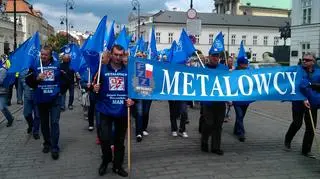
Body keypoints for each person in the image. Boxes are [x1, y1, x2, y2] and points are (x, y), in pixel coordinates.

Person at [94, 44, 134, 177]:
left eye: (120, 55)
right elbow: (94, 92)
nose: (118, 57)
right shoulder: (102, 70)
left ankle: (117, 165)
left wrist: (132, 100)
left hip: (122, 110)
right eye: (115, 54)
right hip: (105, 109)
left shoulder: (129, 71)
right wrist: (94, 89)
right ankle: (105, 161)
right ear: (111, 54)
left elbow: (135, 91)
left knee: (119, 141)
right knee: (104, 138)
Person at [26, 45, 63, 160]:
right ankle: (47, 143)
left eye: (45, 55)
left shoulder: (57, 65)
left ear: (50, 55)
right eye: (42, 54)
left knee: (54, 123)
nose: (43, 56)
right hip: (41, 100)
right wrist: (37, 79)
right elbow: (28, 81)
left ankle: (55, 147)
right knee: (45, 123)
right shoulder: (35, 65)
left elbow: (64, 80)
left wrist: (60, 90)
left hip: (54, 100)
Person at [284, 52, 320, 158]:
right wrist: (303, 98)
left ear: (313, 62)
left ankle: (306, 150)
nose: (304, 61)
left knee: (311, 127)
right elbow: (297, 85)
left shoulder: (318, 72)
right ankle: (288, 139)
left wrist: (313, 85)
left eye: (307, 60)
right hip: (298, 102)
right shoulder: (298, 71)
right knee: (297, 123)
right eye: (303, 59)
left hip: (312, 102)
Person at [201, 50, 228, 155]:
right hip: (208, 102)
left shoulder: (223, 69)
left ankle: (215, 147)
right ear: (209, 56)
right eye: (213, 56)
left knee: (218, 125)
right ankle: (204, 141)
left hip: (220, 101)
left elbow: (229, 83)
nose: (215, 58)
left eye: (217, 56)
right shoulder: (203, 69)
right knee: (208, 123)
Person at [232, 56, 253, 142]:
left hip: (246, 98)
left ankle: (236, 129)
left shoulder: (249, 72)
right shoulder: (234, 73)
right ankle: (241, 133)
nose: (246, 65)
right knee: (240, 115)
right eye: (244, 63)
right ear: (240, 64)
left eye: (246, 63)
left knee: (241, 116)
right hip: (237, 98)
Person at [21, 69, 40, 139]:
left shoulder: (38, 69)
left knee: (37, 115)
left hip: (37, 96)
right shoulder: (22, 72)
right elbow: (20, 85)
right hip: (27, 96)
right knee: (26, 113)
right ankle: (31, 124)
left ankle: (36, 131)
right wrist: (19, 98)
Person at [0, 56, 14, 127]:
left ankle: (10, 118)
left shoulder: (2, 70)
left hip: (2, 92)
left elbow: (1, 81)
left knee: (2, 107)